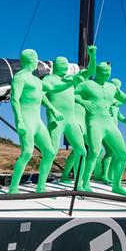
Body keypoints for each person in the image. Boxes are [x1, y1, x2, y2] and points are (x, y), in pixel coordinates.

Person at [73, 46, 126, 196]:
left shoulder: (112, 87)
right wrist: (83, 102)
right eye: (104, 72)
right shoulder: (87, 84)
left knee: (123, 153)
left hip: (109, 124)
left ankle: (117, 185)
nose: (107, 74)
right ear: (97, 71)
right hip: (94, 123)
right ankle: (84, 183)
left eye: (109, 72)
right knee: (95, 152)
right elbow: (70, 93)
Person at [8, 49, 63, 194]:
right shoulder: (20, 77)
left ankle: (41, 187)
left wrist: (53, 109)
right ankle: (13, 188)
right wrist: (19, 121)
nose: (38, 62)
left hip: (37, 121)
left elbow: (49, 91)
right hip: (26, 120)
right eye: (37, 59)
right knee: (27, 152)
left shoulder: (37, 80)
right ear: (31, 60)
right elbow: (14, 100)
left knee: (50, 152)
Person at [42, 56, 86, 184]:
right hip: (56, 119)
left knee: (82, 151)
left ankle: (78, 185)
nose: (66, 66)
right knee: (52, 151)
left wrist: (92, 56)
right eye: (63, 64)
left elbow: (89, 72)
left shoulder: (69, 80)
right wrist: (52, 109)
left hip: (71, 120)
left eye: (67, 64)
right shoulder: (48, 79)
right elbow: (41, 94)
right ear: (55, 65)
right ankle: (41, 185)